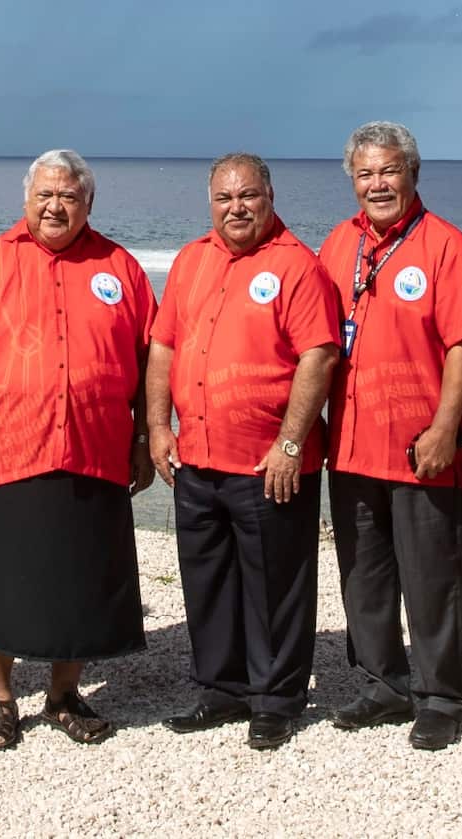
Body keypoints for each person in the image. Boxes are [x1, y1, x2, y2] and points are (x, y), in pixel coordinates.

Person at [149, 153, 339, 751]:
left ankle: (276, 698)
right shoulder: (189, 260)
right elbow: (162, 348)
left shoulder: (297, 266)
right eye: (225, 198)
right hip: (198, 458)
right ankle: (222, 689)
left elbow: (320, 356)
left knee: (275, 585)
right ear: (211, 203)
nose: (237, 208)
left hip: (268, 464)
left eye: (248, 196)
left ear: (270, 196)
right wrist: (158, 428)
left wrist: (289, 442)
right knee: (207, 580)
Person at [0, 150, 155, 749]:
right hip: (4, 446)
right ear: (26, 200)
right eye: (45, 195)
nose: (55, 206)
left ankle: (63, 694)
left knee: (81, 577)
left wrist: (145, 435)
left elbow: (152, 355)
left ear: (88, 204)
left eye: (69, 197)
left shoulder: (120, 267)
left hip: (93, 449)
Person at [319, 122, 462, 750]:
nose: (377, 184)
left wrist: (447, 427)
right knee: (364, 575)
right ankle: (382, 684)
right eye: (365, 174)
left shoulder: (446, 247)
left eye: (388, 171)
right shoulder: (338, 244)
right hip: (354, 444)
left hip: (423, 446)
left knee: (434, 578)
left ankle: (442, 695)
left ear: (413, 172)